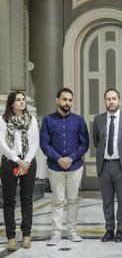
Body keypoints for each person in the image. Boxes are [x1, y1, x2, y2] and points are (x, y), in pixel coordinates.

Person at [40, 88, 90, 246]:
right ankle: (55, 233)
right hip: (55, 167)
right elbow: (44, 144)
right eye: (64, 99)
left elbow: (84, 144)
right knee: (58, 200)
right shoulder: (48, 120)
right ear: (57, 100)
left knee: (73, 200)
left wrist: (71, 158)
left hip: (75, 166)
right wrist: (58, 159)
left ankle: (72, 231)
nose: (67, 102)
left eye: (70, 100)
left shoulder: (79, 120)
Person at [93, 88, 122, 243]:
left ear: (119, 101)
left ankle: (120, 230)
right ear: (105, 101)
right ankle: (109, 229)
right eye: (108, 99)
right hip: (104, 165)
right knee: (107, 200)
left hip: (121, 165)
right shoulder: (98, 119)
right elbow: (96, 141)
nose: (111, 101)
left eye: (114, 98)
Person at [0, 91, 39, 251]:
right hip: (10, 163)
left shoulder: (31, 120)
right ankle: (10, 237)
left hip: (28, 163)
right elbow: (2, 143)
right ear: (11, 103)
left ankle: (26, 235)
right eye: (18, 100)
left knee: (27, 199)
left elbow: (35, 143)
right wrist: (18, 161)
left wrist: (26, 162)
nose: (22, 102)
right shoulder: (3, 121)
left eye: (23, 99)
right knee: (9, 201)